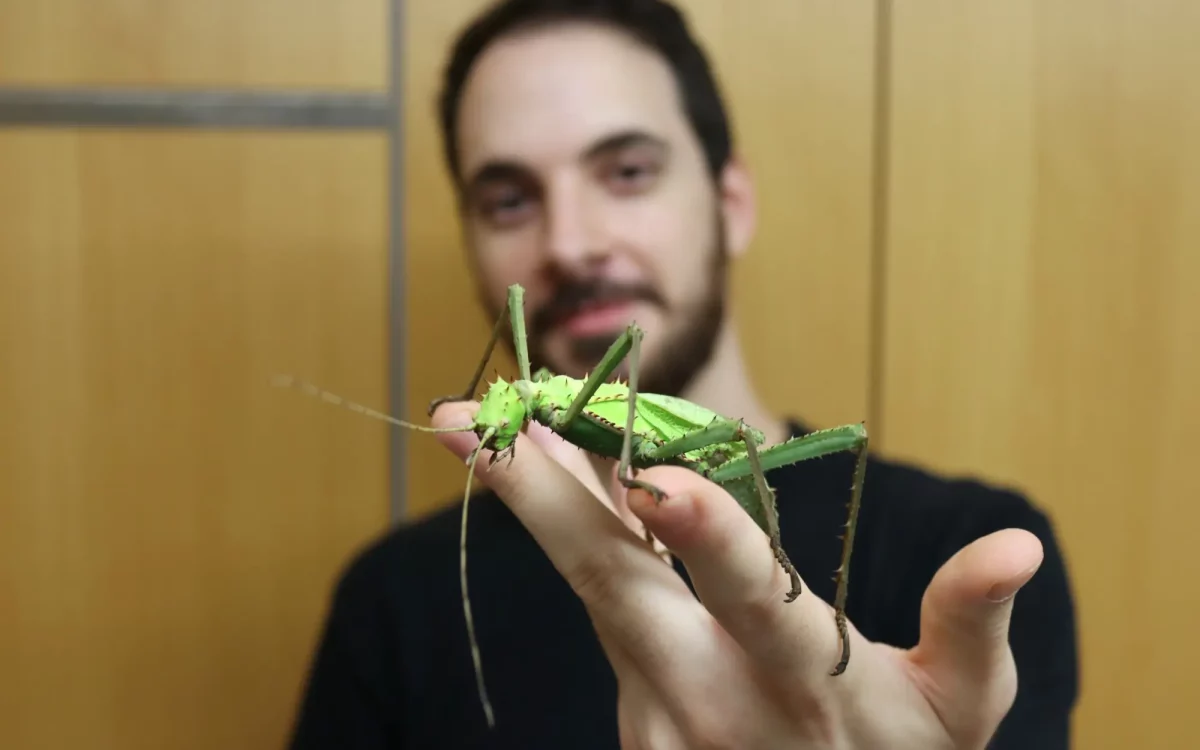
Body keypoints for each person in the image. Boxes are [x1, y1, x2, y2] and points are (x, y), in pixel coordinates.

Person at [287, 0, 1079, 747]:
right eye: (507, 200)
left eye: (627, 170)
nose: (569, 243)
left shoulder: (959, 557)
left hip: (712, 449)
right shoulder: (390, 604)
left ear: (730, 201)